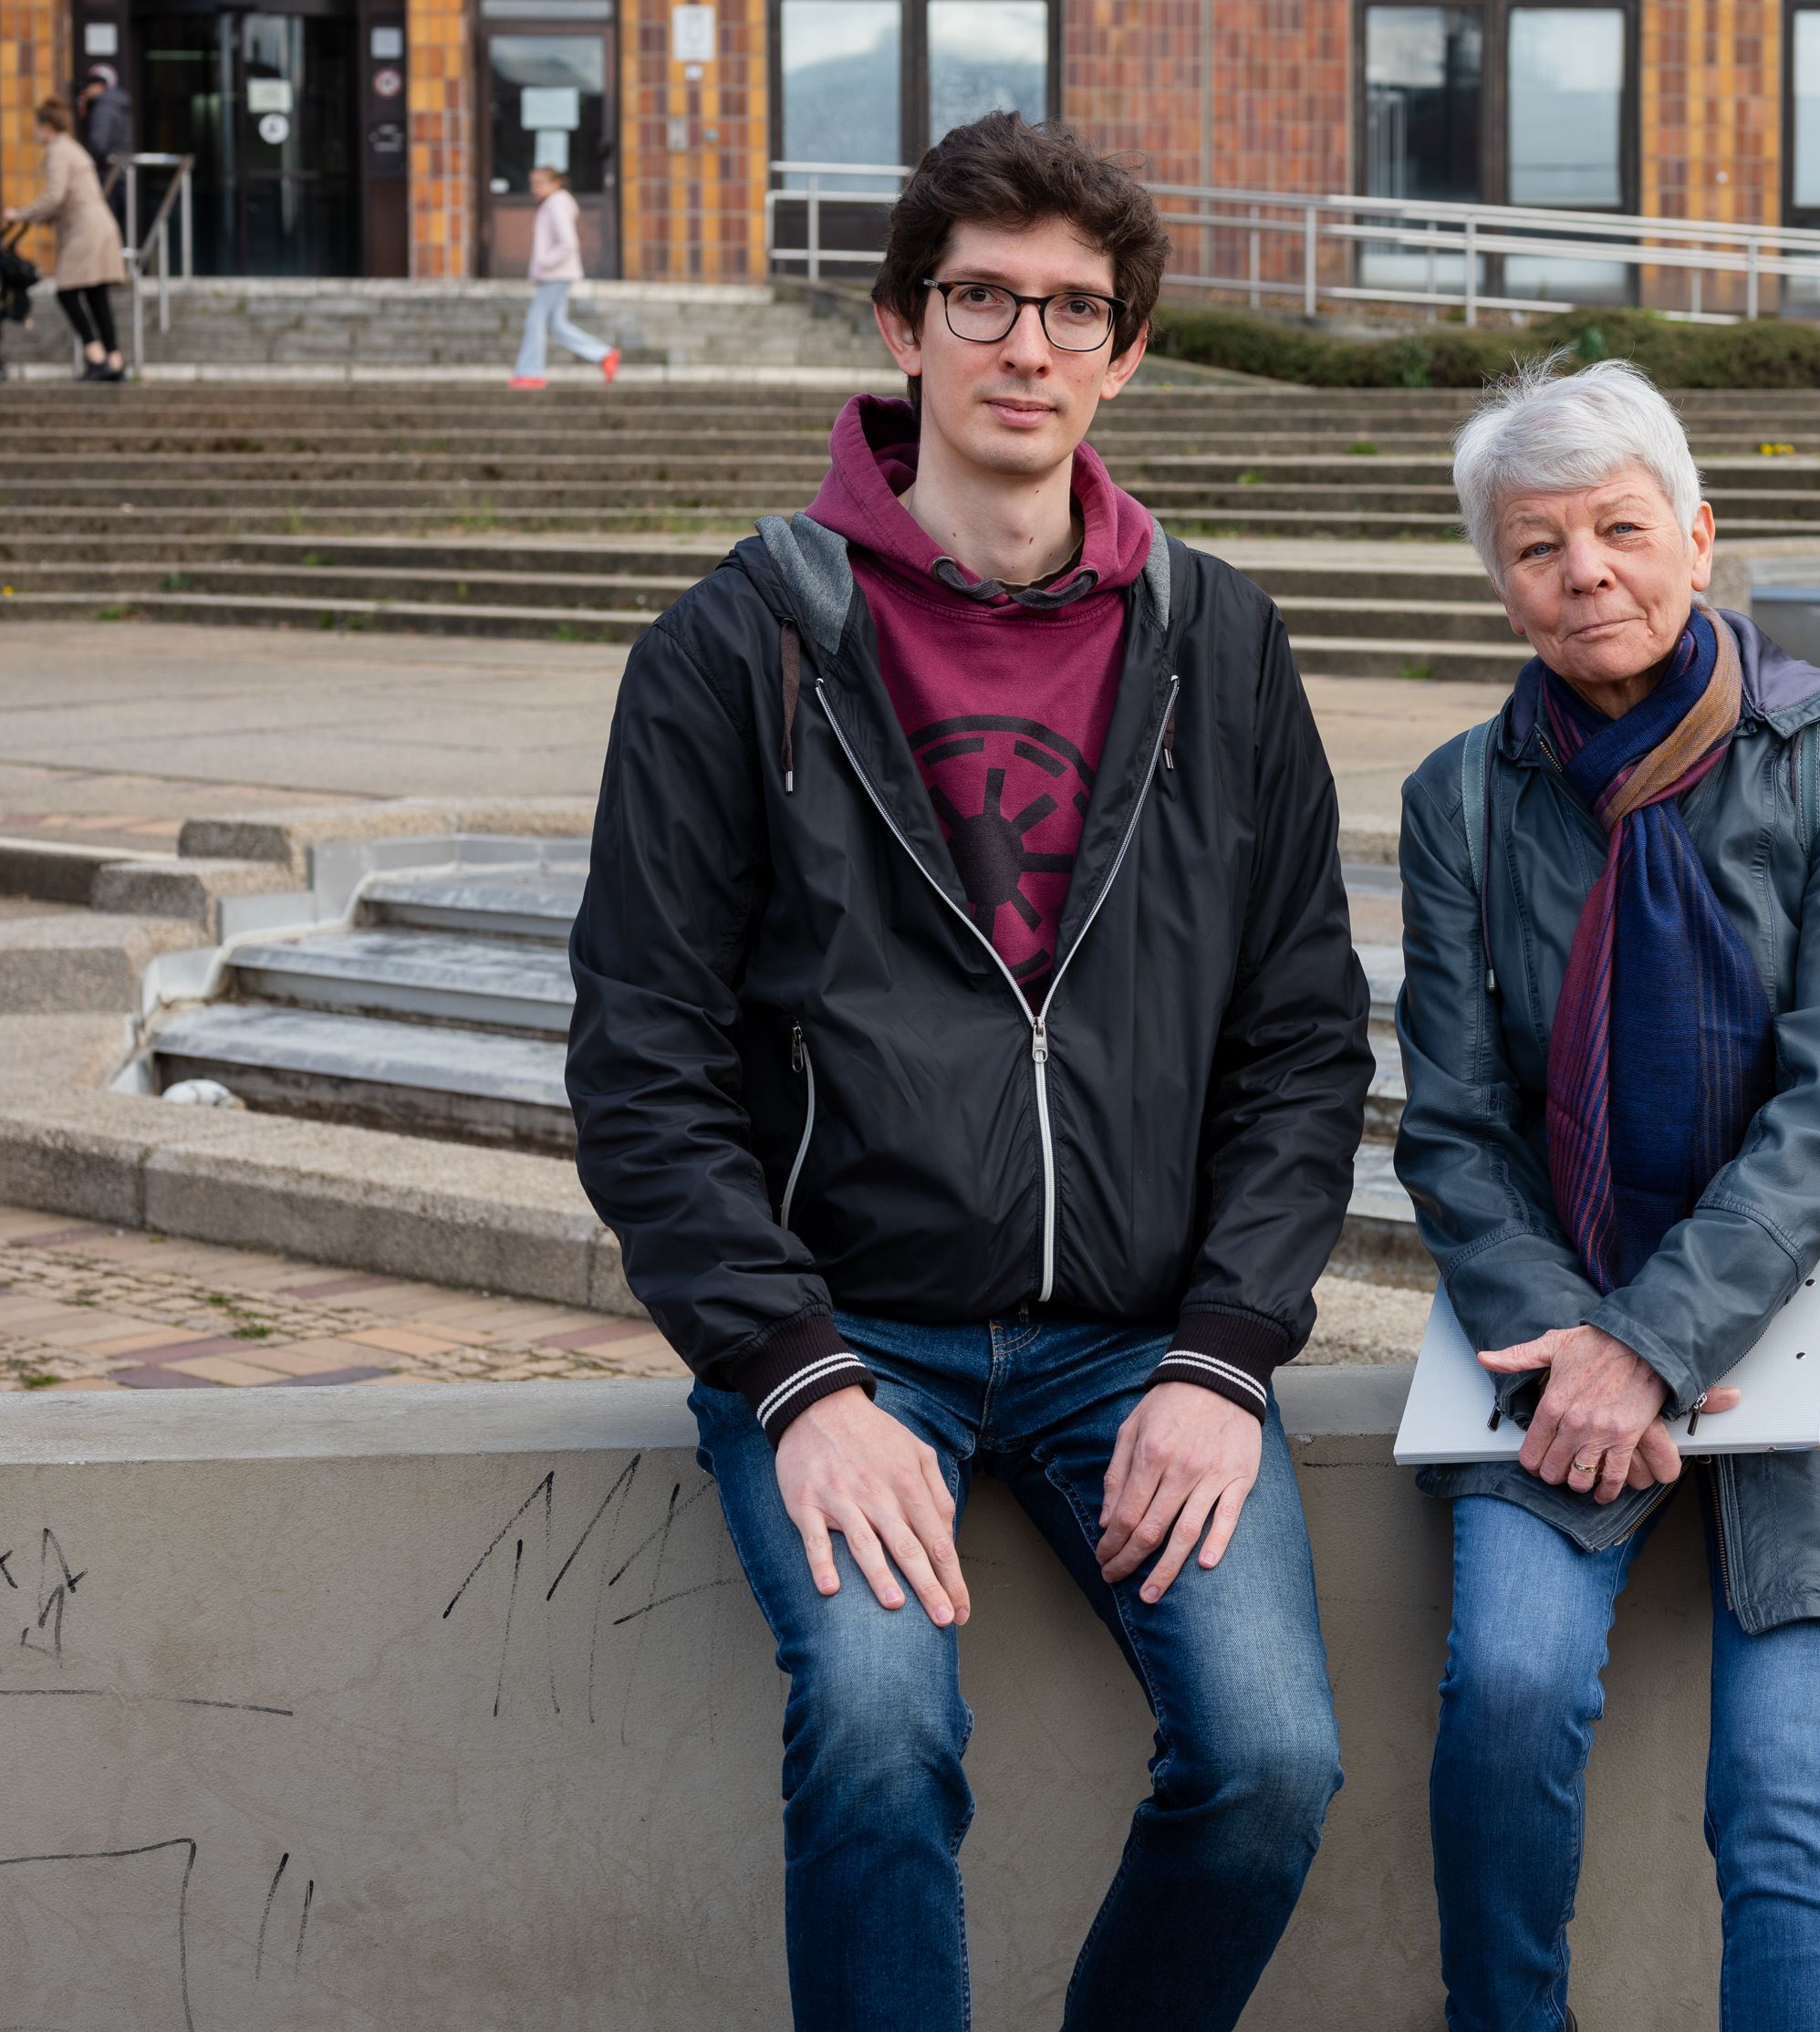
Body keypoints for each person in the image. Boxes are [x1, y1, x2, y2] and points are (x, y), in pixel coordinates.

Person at [565, 111, 1368, 2032]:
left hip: (1139, 1341)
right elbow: (643, 1058)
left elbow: (1303, 1031)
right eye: (984, 297)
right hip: (855, 1338)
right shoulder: (740, 641)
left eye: (1074, 308)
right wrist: (797, 1373)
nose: (1028, 345)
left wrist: (1227, 1348)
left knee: (1269, 1760)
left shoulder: (1219, 642)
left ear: (1129, 351)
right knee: (872, 1729)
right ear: (901, 324)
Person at [1392, 359, 1820, 2032]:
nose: (1586, 576)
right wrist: (1581, 1339)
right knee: (1502, 1695)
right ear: (1499, 579)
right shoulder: (1460, 801)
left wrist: (1653, 1339)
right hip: (1550, 1316)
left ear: (1697, 538)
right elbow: (1451, 1122)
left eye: (1622, 530)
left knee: (1777, 1788)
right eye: (1537, 547)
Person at [15, 96, 128, 381]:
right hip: (98, 224)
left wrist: (21, 214)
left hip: (85, 228)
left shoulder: (58, 150)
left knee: (66, 291)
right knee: (95, 294)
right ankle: (113, 361)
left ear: (47, 126)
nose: (36, 133)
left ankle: (96, 356)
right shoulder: (72, 148)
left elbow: (56, 195)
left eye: (37, 126)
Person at [513, 163, 619, 386]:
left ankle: (530, 373)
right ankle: (603, 354)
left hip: (556, 274)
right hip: (556, 273)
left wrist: (543, 263)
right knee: (557, 325)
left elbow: (568, 243)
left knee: (535, 320)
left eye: (540, 183)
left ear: (556, 183)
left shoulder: (557, 204)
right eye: (533, 184)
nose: (535, 188)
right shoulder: (554, 204)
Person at [77, 61, 134, 202]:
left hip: (107, 171)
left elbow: (98, 142)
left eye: (88, 87)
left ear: (100, 86)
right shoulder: (115, 104)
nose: (85, 92)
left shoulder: (103, 108)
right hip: (119, 169)